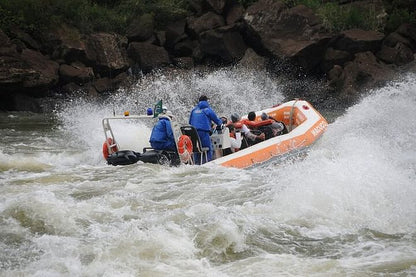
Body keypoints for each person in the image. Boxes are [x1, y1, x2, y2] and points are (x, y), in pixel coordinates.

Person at [189, 95, 223, 163]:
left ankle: (197, 164)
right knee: (209, 149)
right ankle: (208, 164)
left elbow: (190, 122)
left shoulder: (193, 110)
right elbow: (217, 121)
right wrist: (221, 122)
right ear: (206, 101)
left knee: (197, 149)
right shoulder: (208, 110)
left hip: (193, 132)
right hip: (203, 132)